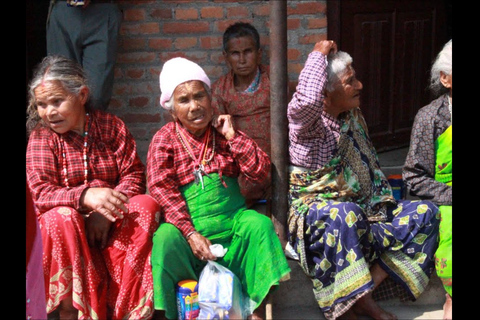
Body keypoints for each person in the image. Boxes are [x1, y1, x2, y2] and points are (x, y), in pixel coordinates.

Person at [286, 40, 440, 320]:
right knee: (347, 214)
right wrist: (319, 54)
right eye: (350, 81)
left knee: (427, 212)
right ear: (325, 93)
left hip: (368, 216)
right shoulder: (308, 131)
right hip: (326, 226)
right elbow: (305, 101)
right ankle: (346, 307)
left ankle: (363, 293)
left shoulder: (352, 115)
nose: (359, 86)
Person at [147, 57, 291, 320]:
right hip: (189, 236)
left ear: (210, 98)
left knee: (259, 225)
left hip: (232, 229)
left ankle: (257, 312)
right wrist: (190, 234)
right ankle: (169, 313)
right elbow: (162, 190)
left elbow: (261, 173)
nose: (195, 106)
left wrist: (233, 137)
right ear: (172, 109)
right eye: (184, 100)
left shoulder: (224, 133)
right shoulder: (164, 139)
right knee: (165, 238)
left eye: (199, 96)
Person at [26, 55, 160, 320]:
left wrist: (105, 212)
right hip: (67, 234)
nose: (49, 112)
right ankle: (70, 312)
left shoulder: (111, 127)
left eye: (57, 101)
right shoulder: (42, 137)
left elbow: (133, 175)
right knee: (59, 218)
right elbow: (40, 194)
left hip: (111, 225)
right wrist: (85, 197)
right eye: (42, 105)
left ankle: (127, 310)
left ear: (82, 95)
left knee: (146, 205)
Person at [403, 39, 452, 320]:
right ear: (445, 79)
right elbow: (414, 177)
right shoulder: (430, 118)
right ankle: (450, 296)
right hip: (445, 196)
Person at [211, 22, 271, 208]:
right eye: (235, 54)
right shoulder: (220, 89)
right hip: (240, 161)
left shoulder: (272, 80)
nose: (242, 59)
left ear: (259, 53)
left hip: (273, 159)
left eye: (248, 52)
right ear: (226, 57)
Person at [46, 0, 122, 111]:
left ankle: (91, 126)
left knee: (96, 96)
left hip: (103, 11)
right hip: (63, 10)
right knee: (61, 88)